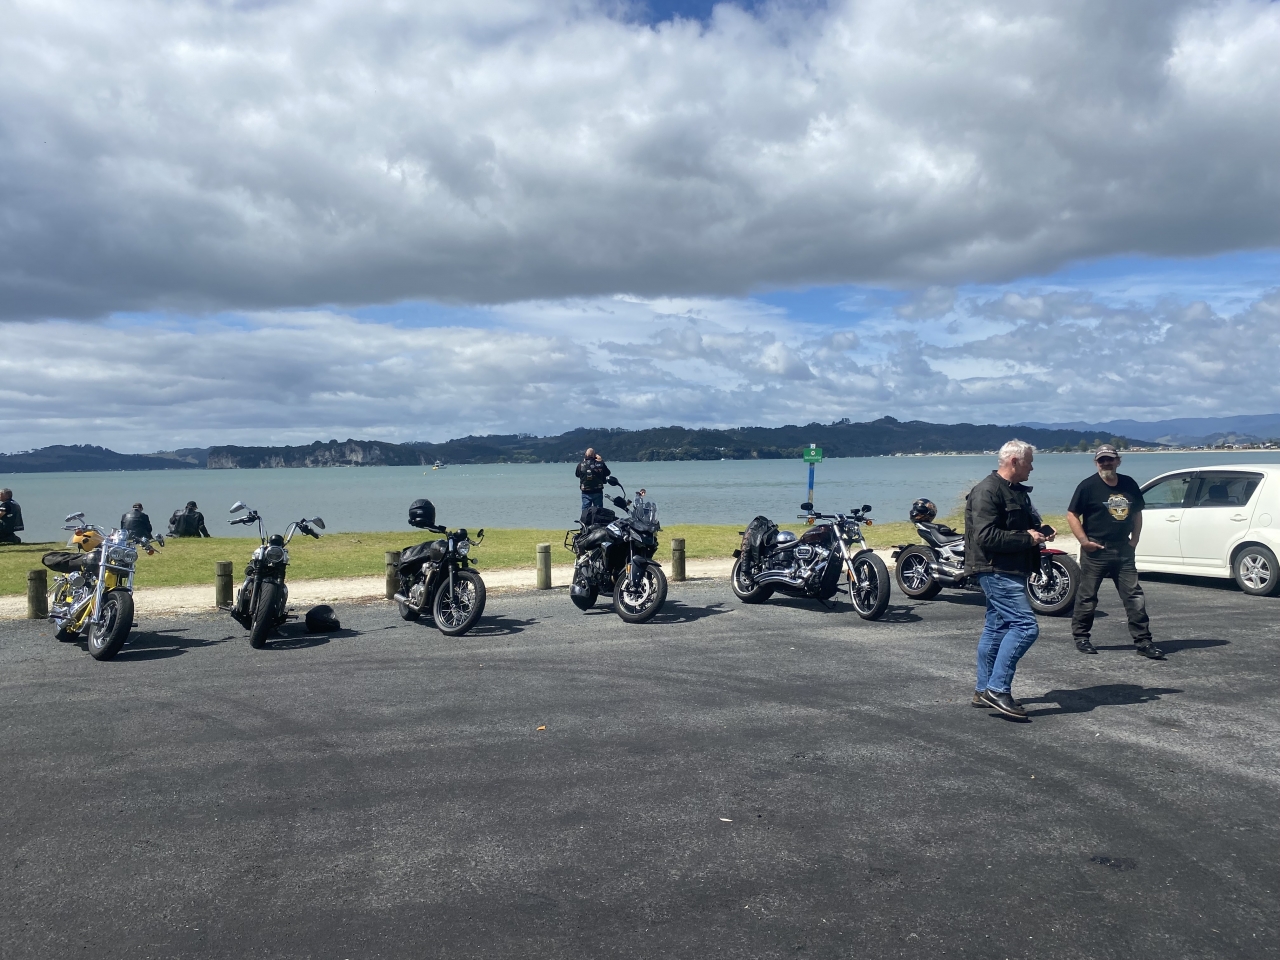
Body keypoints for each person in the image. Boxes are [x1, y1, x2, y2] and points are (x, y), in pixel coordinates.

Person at [965, 439, 1049, 719]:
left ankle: (982, 690)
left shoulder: (1015, 492)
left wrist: (1038, 531)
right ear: (1014, 461)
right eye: (1029, 462)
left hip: (1010, 568)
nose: (1032, 468)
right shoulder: (987, 491)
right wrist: (1027, 538)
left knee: (996, 629)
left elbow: (1016, 526)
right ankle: (997, 689)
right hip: (995, 569)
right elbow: (985, 536)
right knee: (1026, 627)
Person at [1067, 444, 1162, 659]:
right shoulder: (1087, 486)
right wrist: (1084, 541)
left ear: (1118, 461)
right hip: (1096, 550)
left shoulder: (1129, 484)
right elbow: (1072, 514)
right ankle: (1081, 637)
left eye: (1110, 459)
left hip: (1123, 549)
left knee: (1134, 596)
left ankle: (1144, 642)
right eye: (1102, 460)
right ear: (1096, 463)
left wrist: (1135, 540)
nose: (1106, 463)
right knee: (1087, 596)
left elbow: (1137, 512)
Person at [575, 447, 612, 514]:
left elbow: (577, 475)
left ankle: (585, 523)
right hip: (598, 491)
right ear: (594, 456)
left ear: (585, 455)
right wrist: (601, 461)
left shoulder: (580, 465)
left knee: (585, 512)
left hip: (586, 491)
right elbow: (608, 473)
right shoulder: (600, 464)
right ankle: (598, 523)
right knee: (598, 511)